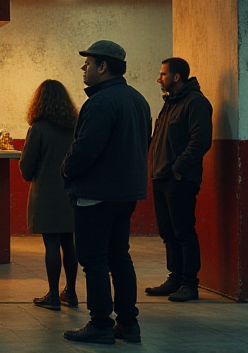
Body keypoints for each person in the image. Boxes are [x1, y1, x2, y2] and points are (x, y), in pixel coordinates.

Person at [61, 40, 151, 344]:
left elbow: (86, 149)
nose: (83, 68)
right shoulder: (137, 99)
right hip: (126, 193)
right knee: (119, 257)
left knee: (94, 259)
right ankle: (128, 323)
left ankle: (100, 324)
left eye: (88, 63)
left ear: (103, 66)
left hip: (96, 192)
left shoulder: (100, 102)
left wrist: (67, 169)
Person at [146, 57, 213, 303]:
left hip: (180, 179)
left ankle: (189, 284)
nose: (159, 78)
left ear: (177, 77)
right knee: (168, 231)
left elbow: (200, 141)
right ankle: (175, 278)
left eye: (163, 74)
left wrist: (178, 168)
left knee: (183, 230)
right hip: (162, 177)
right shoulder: (170, 103)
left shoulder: (195, 102)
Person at [19, 80, 80, 311]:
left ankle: (53, 294)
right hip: (71, 192)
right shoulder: (76, 126)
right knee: (69, 243)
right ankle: (71, 292)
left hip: (45, 193)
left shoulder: (38, 128)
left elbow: (26, 167)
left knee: (51, 244)